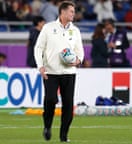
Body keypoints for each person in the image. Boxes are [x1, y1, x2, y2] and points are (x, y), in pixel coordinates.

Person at [34, 1, 84, 142]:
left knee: (68, 105)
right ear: (62, 12)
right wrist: (41, 66)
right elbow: (38, 48)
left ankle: (64, 135)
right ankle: (47, 126)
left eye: (74, 12)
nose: (74, 14)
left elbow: (80, 51)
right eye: (71, 11)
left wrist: (78, 61)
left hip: (69, 72)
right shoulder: (48, 28)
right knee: (50, 100)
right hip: (50, 72)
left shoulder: (75, 31)